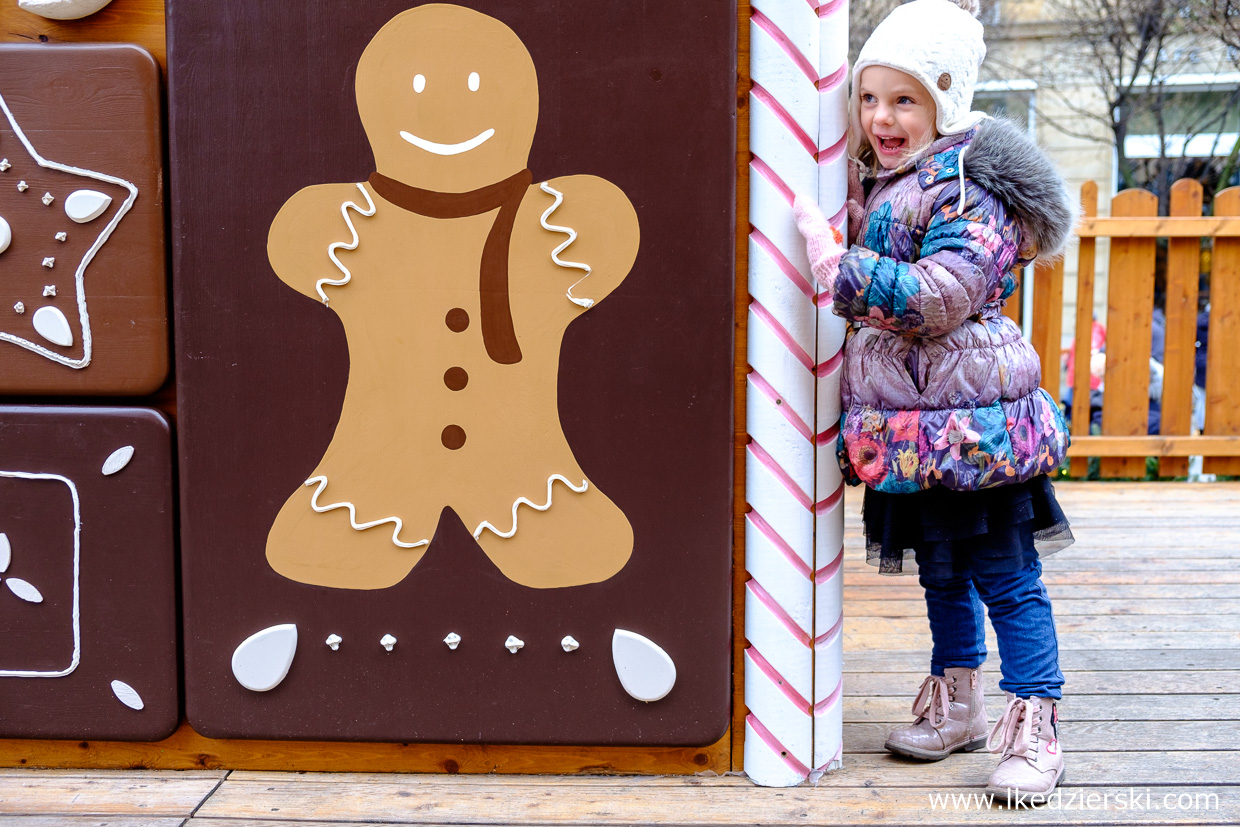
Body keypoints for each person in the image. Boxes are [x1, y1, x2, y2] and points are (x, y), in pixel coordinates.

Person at [793, 0, 1077, 799]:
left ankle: (1035, 722)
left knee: (1006, 577)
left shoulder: (965, 187)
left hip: (977, 428)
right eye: (871, 97)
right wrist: (859, 226)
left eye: (905, 99)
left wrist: (837, 266)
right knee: (940, 576)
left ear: (945, 103)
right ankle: (957, 699)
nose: (882, 116)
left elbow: (942, 295)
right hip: (917, 428)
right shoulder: (893, 182)